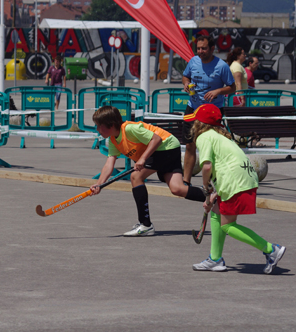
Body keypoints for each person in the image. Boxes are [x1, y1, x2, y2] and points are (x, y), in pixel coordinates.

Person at [185, 104, 285, 274]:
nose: (192, 124)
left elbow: (207, 166)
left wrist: (205, 187)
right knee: (216, 213)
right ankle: (215, 259)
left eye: (194, 121)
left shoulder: (204, 137)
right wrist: (215, 194)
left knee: (227, 226)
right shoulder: (221, 137)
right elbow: (225, 165)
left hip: (235, 182)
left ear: (200, 124)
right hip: (242, 178)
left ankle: (270, 249)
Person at [89, 106, 206, 236]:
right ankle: (213, 197)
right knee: (177, 189)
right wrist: (99, 184)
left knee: (135, 177)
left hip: (165, 147)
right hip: (167, 148)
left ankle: (145, 224)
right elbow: (109, 164)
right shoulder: (113, 140)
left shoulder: (129, 129)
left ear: (110, 125)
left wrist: (143, 159)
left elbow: (156, 139)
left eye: (99, 126)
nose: (97, 129)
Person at [182, 35, 236, 186]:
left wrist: (218, 91)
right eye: (198, 48)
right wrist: (186, 84)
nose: (200, 51)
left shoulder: (222, 66)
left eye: (204, 48)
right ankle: (186, 181)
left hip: (213, 112)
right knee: (189, 144)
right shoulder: (193, 61)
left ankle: (216, 182)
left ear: (212, 49)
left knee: (214, 146)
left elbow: (232, 88)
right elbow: (185, 76)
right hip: (193, 108)